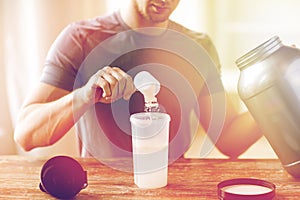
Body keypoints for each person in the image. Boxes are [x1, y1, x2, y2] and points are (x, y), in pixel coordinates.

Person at [14, 0, 262, 161]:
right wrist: (84, 94)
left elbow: (229, 139)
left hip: (174, 187)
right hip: (101, 188)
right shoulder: (81, 38)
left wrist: (279, 95)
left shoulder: (198, 46)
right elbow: (26, 134)